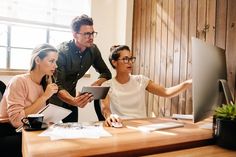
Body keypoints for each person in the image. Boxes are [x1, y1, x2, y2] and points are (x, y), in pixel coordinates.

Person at [101, 45, 192, 127]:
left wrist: (187, 83)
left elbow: (166, 92)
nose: (130, 62)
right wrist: (110, 116)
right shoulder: (107, 85)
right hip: (122, 127)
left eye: (131, 58)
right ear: (114, 62)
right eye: (125, 59)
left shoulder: (141, 80)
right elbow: (105, 109)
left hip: (143, 127)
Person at [50, 14, 112, 123]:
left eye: (92, 33)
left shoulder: (93, 50)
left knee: (73, 132)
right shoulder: (62, 52)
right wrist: (74, 101)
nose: (91, 37)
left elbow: (106, 73)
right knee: (49, 134)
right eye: (87, 34)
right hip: (52, 98)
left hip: (71, 97)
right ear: (75, 35)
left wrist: (94, 85)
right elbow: (58, 86)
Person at [0, 43, 59, 156]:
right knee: (43, 144)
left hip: (27, 129)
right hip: (6, 131)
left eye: (55, 62)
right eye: (51, 61)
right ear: (37, 60)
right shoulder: (18, 81)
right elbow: (17, 121)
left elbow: (37, 116)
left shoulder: (45, 84)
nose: (55, 66)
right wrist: (44, 97)